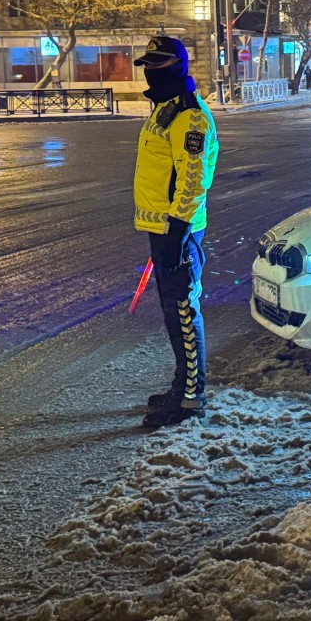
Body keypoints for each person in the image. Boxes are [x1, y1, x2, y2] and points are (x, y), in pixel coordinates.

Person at [132, 36, 220, 428]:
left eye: (159, 64)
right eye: (148, 63)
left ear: (178, 67)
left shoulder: (188, 115)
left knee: (184, 311)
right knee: (173, 313)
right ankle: (182, 384)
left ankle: (189, 399)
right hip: (162, 228)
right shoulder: (166, 109)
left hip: (177, 231)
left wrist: (178, 232)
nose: (151, 71)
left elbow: (192, 180)